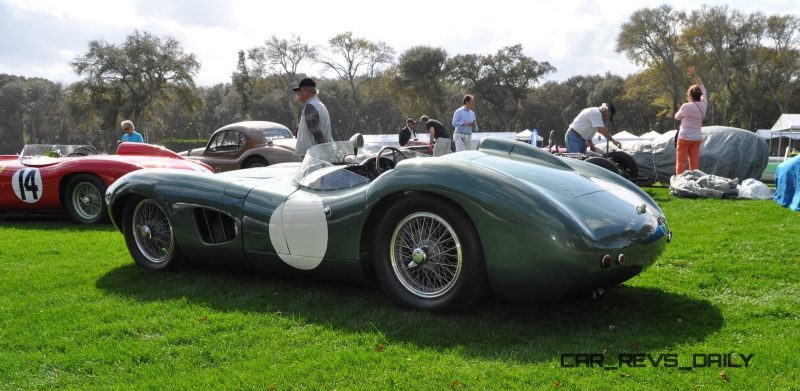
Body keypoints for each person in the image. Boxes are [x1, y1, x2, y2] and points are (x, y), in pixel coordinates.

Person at [674, 66, 707, 175]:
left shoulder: (686, 106)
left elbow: (677, 117)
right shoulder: (704, 104)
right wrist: (695, 75)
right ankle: (695, 182)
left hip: (684, 138)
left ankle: (679, 182)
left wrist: (682, 108)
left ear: (690, 95)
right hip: (697, 138)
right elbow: (702, 87)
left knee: (681, 162)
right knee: (694, 163)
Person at [292, 77, 332, 156]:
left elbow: (316, 131)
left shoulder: (310, 106)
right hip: (318, 153)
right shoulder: (320, 105)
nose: (297, 94)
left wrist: (325, 150)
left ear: (306, 91)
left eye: (299, 90)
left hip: (313, 155)